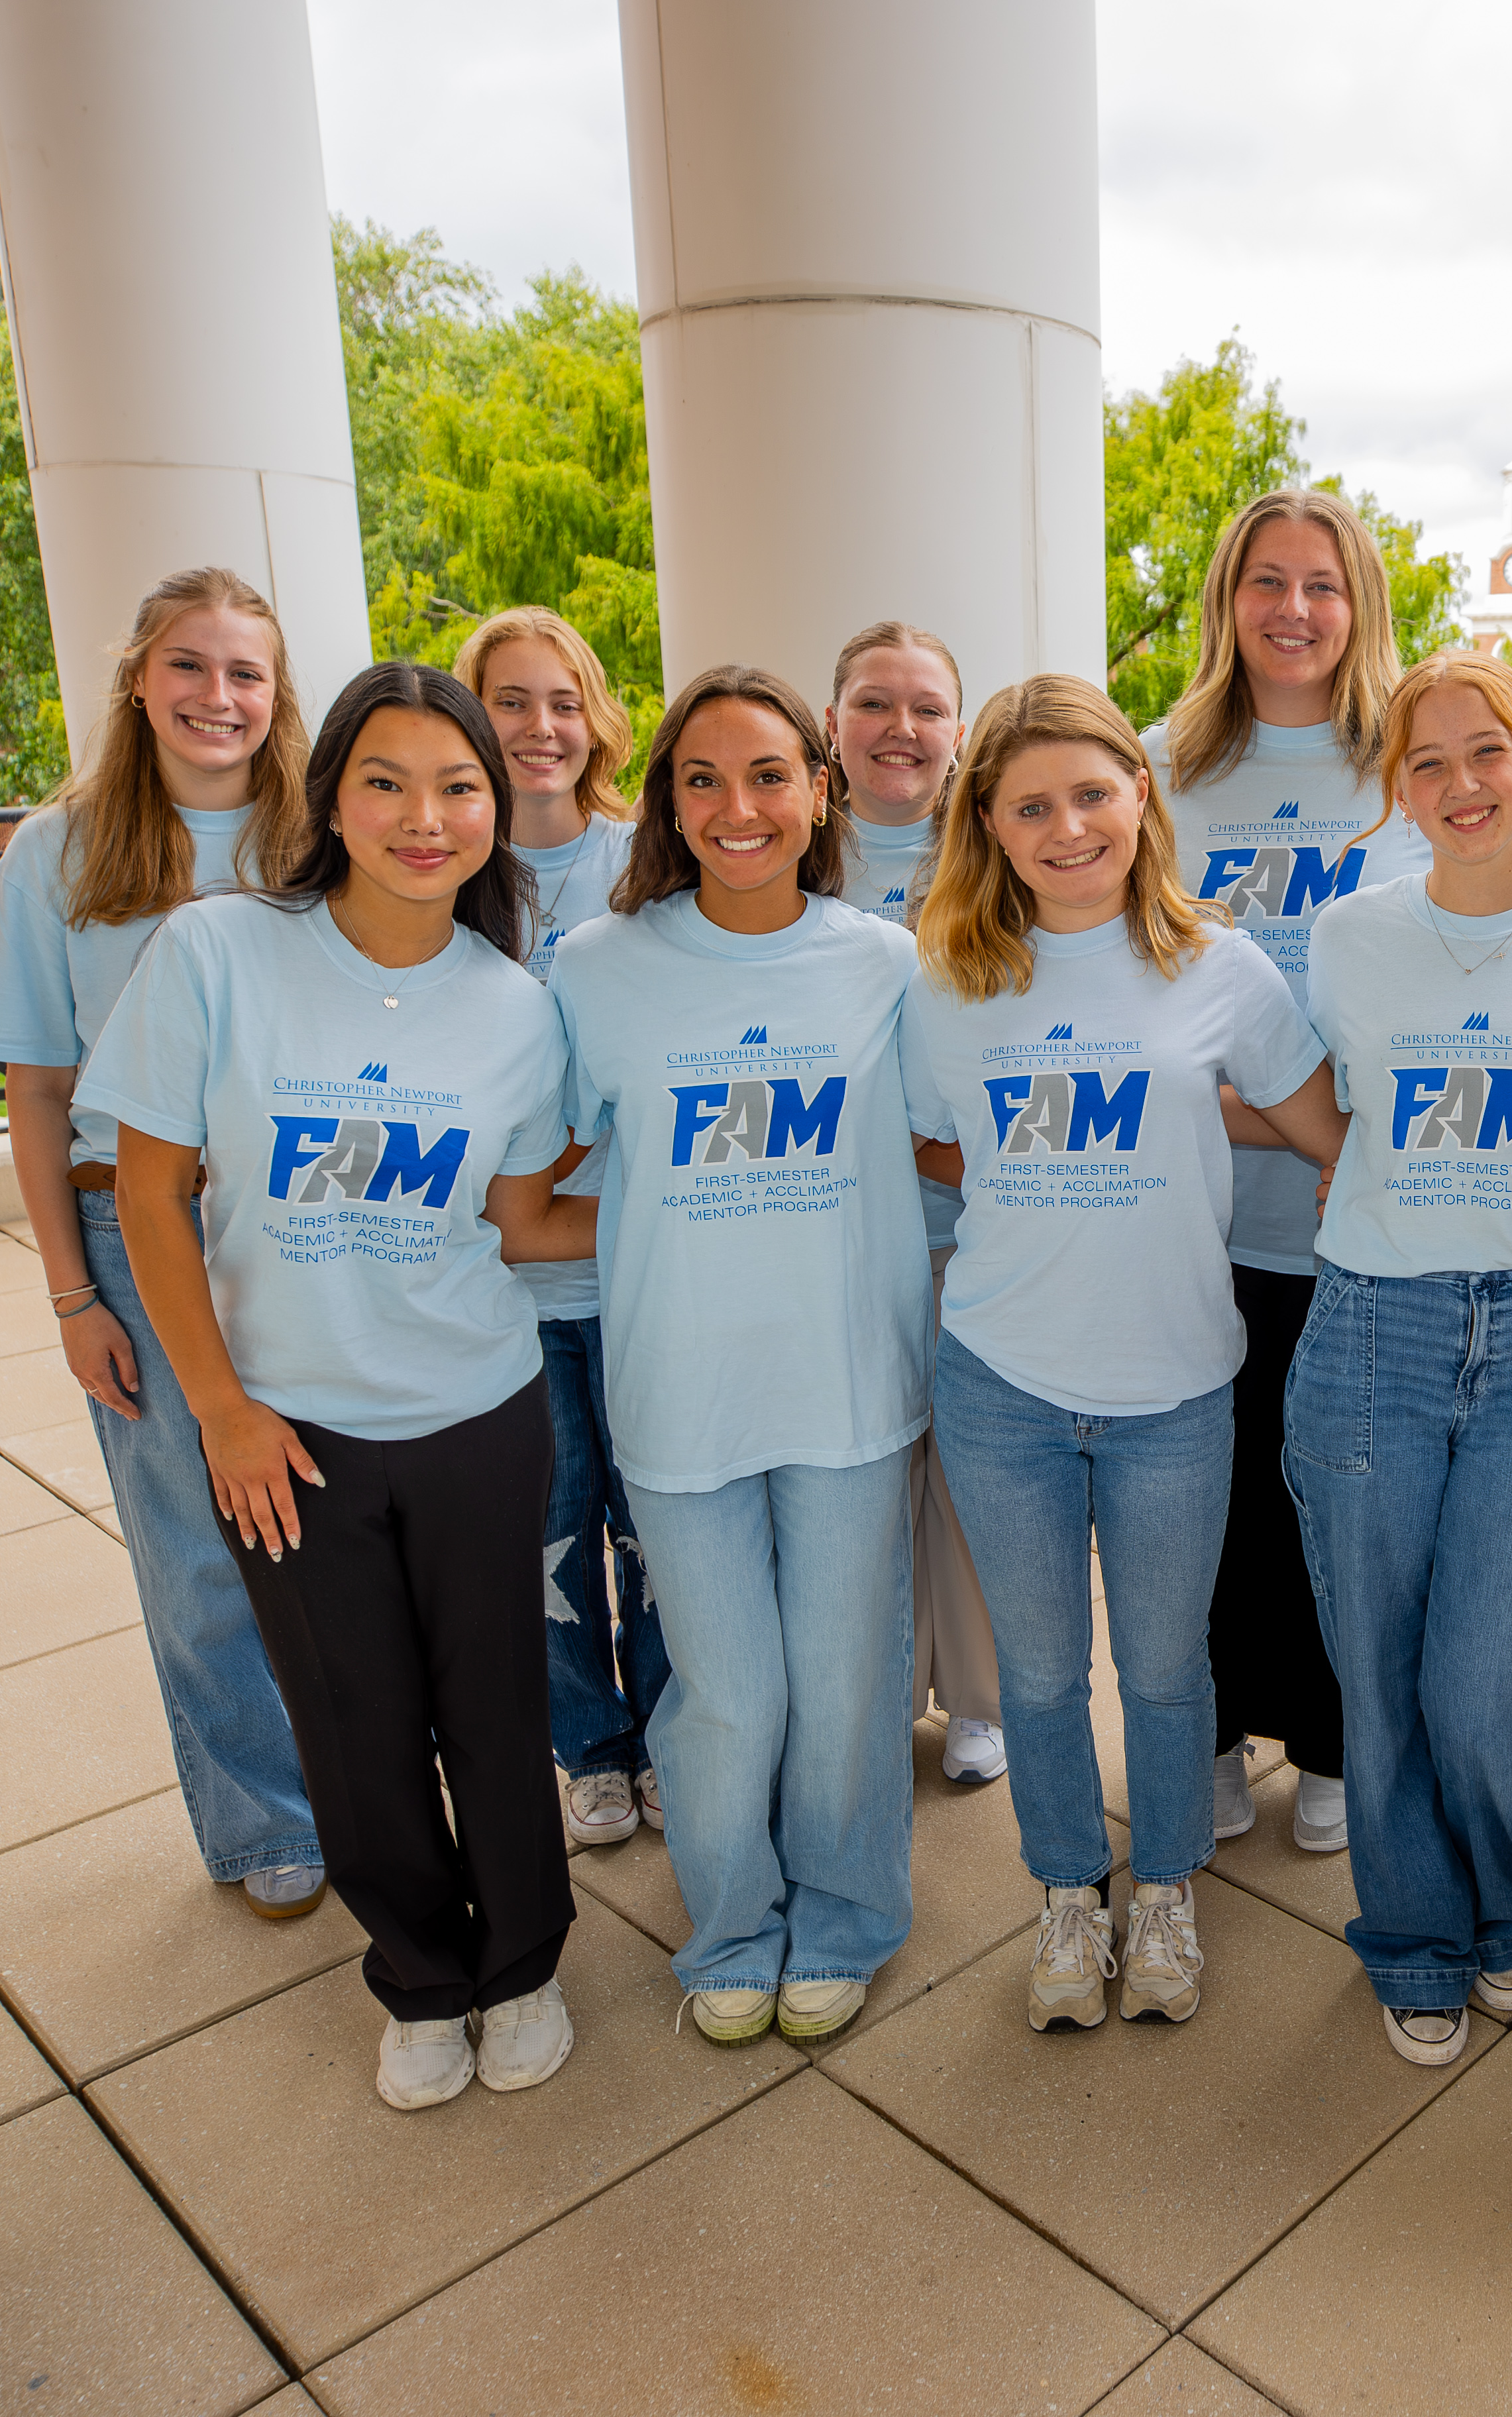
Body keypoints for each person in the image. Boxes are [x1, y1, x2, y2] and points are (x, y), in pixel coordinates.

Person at [81, 660, 583, 2112]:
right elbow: (151, 1191)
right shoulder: (219, 952)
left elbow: (526, 1221)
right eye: (388, 782)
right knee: (351, 1720)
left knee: (493, 1703)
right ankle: (423, 1978)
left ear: (498, 806)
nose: (425, 818)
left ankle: (525, 1965)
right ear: (331, 798)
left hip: (478, 1412)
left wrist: (697, 1191)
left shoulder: (514, 1006)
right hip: (284, 1427)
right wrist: (222, 1408)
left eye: (460, 787)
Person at [904, 674, 1338, 2031]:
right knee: (1038, 1677)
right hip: (1001, 1383)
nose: (1068, 824)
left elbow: (1329, 1133)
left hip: (1174, 1388)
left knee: (1163, 1670)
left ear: (1140, 796)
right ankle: (1063, 1898)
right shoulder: (948, 979)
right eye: (1032, 804)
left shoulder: (1225, 968)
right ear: (990, 821)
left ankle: (1163, 1897)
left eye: (1093, 791)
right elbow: (935, 1142)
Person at [554, 666, 929, 2047]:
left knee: (841, 1686)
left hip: (846, 1386)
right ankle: (729, 1926)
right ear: (664, 802)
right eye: (701, 779)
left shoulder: (883, 963)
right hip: (679, 1388)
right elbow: (544, 1164)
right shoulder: (598, 966)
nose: (738, 807)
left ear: (820, 791)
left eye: (769, 774)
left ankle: (845, 1916)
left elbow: (948, 1136)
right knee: (726, 1694)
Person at [1289, 653, 1512, 2066]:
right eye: (1426, 763)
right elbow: (1323, 1106)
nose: (1459, 785)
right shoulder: (1346, 936)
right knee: (1379, 1669)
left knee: (1497, 1674)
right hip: (1374, 1325)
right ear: (1397, 788)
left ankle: (1509, 1902)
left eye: (1483, 751)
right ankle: (1419, 1936)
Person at [0, 566, 327, 1921]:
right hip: (134, 1220)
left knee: (332, 1517)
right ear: (137, 678)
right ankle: (265, 1818)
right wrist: (71, 1296)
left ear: (277, 695)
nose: (218, 696)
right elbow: (39, 1091)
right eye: (191, 666)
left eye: (246, 673)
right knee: (197, 1539)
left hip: (309, 1213)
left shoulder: (318, 842)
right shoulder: (60, 853)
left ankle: (368, 1776)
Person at [1160, 489, 1425, 1856]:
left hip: (1359, 1212)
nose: (1295, 610)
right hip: (1198, 1216)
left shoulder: (1409, 772)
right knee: (1212, 1502)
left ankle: (1329, 1741)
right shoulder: (1162, 770)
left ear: (1359, 603)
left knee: (1345, 1500)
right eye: (1267, 580)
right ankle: (1205, 1733)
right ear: (1229, 599)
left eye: (1324, 584)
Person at [454, 606, 669, 1851]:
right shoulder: (442, 869)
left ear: (595, 719)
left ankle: (664, 1732)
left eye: (562, 700)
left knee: (651, 1522)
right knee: (547, 1528)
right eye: (511, 700)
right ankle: (587, 1745)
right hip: (500, 1280)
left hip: (631, 1262)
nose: (539, 728)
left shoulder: (646, 862)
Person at [826, 621, 1008, 1790]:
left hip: (972, 1215)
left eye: (928, 708)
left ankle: (983, 1696)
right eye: (874, 705)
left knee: (977, 1467)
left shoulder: (993, 854)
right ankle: (886, 1685)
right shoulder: (789, 846)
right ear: (832, 721)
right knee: (867, 1469)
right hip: (833, 1220)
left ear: (959, 730)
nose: (902, 731)